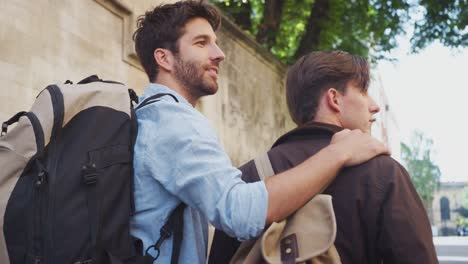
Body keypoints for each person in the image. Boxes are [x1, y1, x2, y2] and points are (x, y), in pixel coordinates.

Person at [130, 1, 389, 263]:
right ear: (164, 58)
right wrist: (338, 153)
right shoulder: (173, 120)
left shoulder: (151, 116)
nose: (219, 53)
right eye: (201, 43)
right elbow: (238, 212)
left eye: (215, 42)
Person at [209, 51, 438, 263]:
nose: (375, 106)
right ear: (334, 99)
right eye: (363, 91)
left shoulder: (248, 178)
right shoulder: (384, 173)